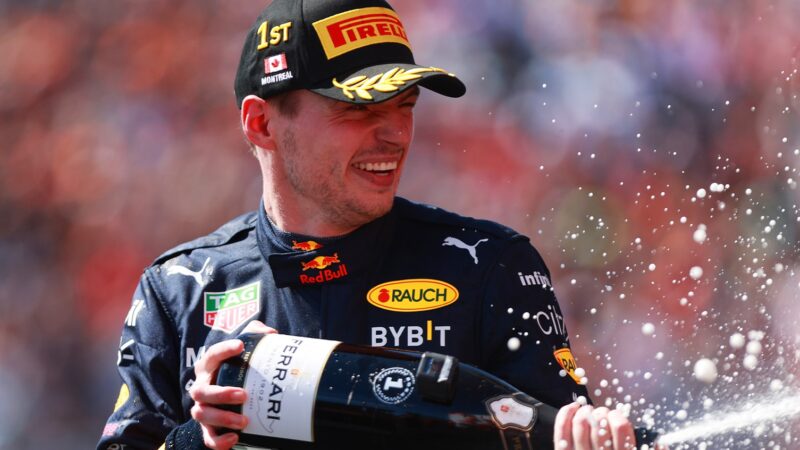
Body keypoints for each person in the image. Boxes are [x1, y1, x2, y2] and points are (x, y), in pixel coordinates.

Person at [97, 0, 643, 449]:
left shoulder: (490, 266)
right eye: (358, 110)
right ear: (261, 123)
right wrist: (204, 437)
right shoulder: (181, 290)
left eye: (405, 105)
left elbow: (556, 430)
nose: (395, 135)